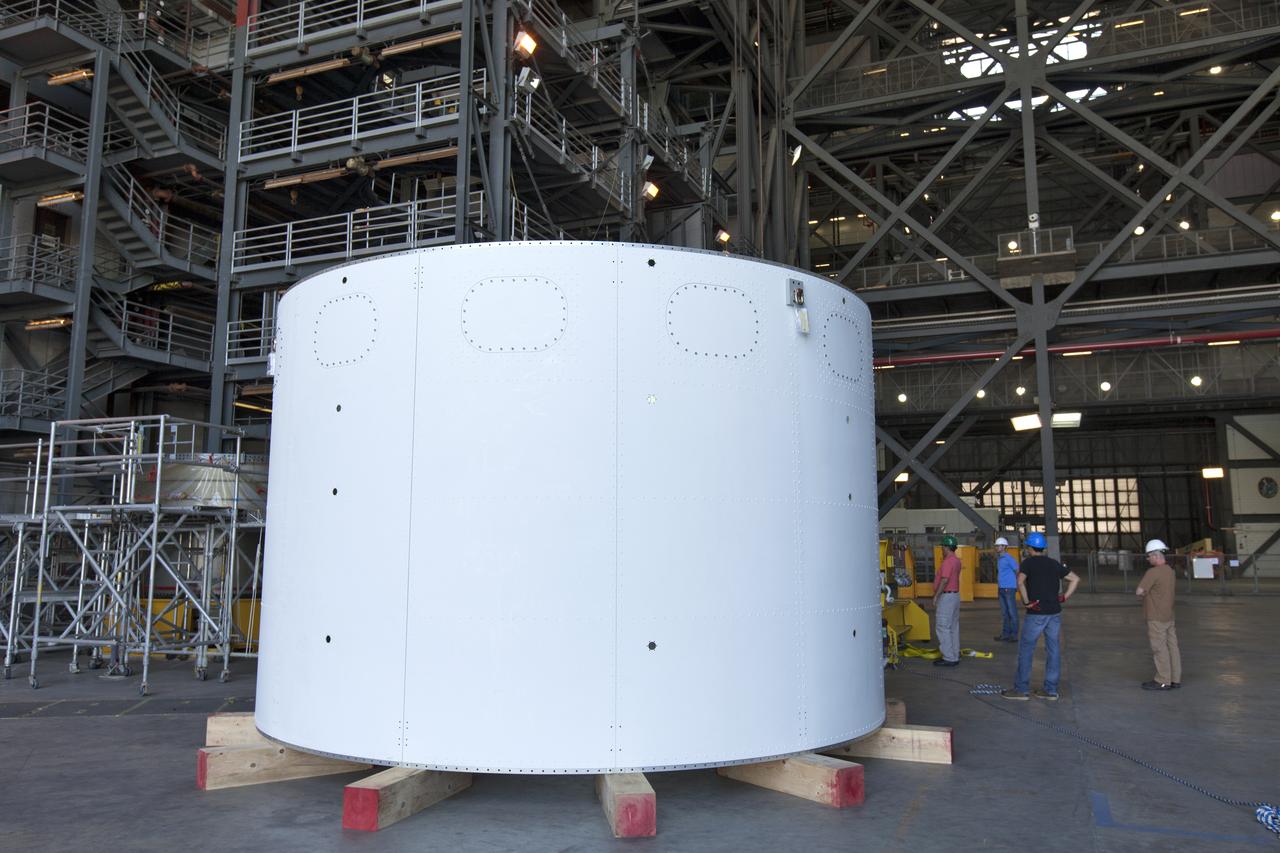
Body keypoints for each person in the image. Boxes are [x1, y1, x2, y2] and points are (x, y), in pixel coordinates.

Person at [1001, 531, 1079, 701]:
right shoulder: (1053, 563)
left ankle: (1021, 690)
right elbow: (1075, 579)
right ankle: (1050, 690)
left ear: (1029, 548)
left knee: (1027, 649)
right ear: (1043, 548)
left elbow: (1020, 582)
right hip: (1054, 612)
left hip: (1036, 612)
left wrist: (1026, 601)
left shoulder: (1028, 563)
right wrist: (1064, 596)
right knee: (1053, 649)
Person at [1136, 539, 1181, 691]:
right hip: (1169, 615)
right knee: (1172, 647)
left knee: (1159, 649)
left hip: (1156, 617)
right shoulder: (1170, 571)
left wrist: (1145, 593)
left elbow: (1140, 591)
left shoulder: (1153, 572)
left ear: (1155, 556)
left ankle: (1163, 680)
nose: (1148, 559)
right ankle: (1175, 679)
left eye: (1149, 556)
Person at [932, 535, 962, 667]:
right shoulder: (956, 561)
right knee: (953, 627)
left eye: (942, 547)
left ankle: (949, 657)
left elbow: (944, 580)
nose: (941, 549)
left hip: (947, 597)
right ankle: (954, 654)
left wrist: (936, 596)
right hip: (955, 596)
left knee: (943, 626)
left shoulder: (948, 561)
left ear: (946, 547)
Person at [993, 536, 1019, 642]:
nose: (996, 547)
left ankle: (1014, 635)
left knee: (1012, 612)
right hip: (1002, 588)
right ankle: (1005, 634)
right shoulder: (1000, 558)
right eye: (996, 546)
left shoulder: (1009, 558)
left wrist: (1017, 584)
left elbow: (1017, 570)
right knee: (1005, 613)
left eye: (998, 546)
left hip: (1009, 588)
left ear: (1004, 547)